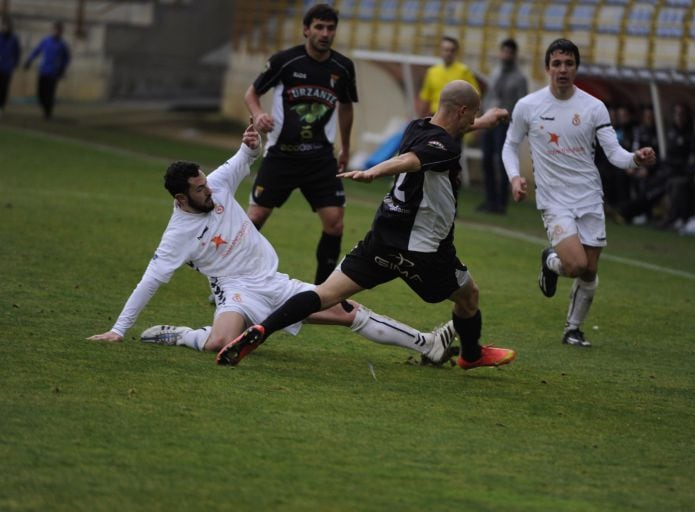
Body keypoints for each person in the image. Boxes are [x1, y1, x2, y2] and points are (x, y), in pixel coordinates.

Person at [87, 123, 457, 367]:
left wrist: (252, 143)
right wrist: (119, 329)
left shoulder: (215, 185)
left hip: (272, 280)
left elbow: (244, 158)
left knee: (346, 310)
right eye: (199, 189)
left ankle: (428, 343)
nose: (209, 190)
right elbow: (150, 279)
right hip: (234, 292)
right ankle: (185, 335)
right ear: (181, 200)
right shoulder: (177, 235)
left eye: (205, 182)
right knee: (218, 345)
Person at [217, 81, 515, 371]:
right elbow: (412, 160)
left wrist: (484, 121)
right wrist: (374, 171)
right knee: (468, 296)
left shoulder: (417, 127)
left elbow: (439, 139)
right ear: (462, 111)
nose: (473, 119)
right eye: (474, 113)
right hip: (425, 250)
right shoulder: (446, 148)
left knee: (325, 295)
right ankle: (472, 355)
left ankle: (263, 329)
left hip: (382, 238)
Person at [502, 39, 656, 348]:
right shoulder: (529, 106)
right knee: (574, 265)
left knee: (590, 270)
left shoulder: (593, 107)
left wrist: (635, 159)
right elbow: (509, 145)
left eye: (568, 64)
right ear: (547, 68)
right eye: (556, 63)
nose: (562, 69)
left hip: (588, 196)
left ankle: (573, 329)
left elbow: (614, 154)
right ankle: (551, 261)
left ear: (576, 68)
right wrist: (515, 177)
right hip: (554, 200)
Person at [244, 3, 356, 285]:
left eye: (330, 28)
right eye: (319, 27)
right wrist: (259, 115)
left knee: (335, 222)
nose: (325, 33)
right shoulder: (285, 61)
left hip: (320, 159)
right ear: (306, 29)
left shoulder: (343, 67)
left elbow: (346, 106)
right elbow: (251, 93)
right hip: (281, 155)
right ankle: (232, 277)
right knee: (255, 216)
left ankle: (323, 292)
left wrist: (346, 147)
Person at [477, 38, 528, 214]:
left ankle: (501, 203)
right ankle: (490, 200)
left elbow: (522, 104)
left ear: (514, 55)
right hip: (489, 123)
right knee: (486, 161)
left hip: (505, 125)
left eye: (509, 52)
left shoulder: (519, 78)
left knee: (503, 162)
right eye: (503, 51)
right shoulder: (495, 72)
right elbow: (489, 96)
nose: (505, 55)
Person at [416, 36, 479, 118]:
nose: (448, 53)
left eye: (452, 50)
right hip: (435, 115)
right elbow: (425, 98)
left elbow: (474, 96)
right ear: (440, 51)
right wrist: (420, 118)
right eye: (446, 50)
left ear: (456, 52)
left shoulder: (464, 71)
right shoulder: (432, 72)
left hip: (455, 116)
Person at [23, 20, 70, 119]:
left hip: (54, 73)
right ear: (53, 30)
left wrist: (62, 69)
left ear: (61, 32)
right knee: (40, 93)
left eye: (59, 30)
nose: (57, 32)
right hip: (43, 71)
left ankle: (48, 113)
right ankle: (45, 109)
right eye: (56, 30)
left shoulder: (62, 45)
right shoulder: (46, 41)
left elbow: (66, 58)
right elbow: (37, 51)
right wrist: (29, 60)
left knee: (50, 94)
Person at [0, 15, 21, 115]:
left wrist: (15, 63)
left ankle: (1, 106)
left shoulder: (14, 39)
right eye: (4, 25)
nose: (5, 27)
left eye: (8, 25)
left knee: (4, 88)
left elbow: (17, 52)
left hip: (7, 68)